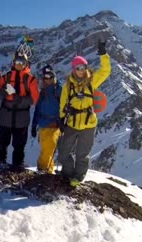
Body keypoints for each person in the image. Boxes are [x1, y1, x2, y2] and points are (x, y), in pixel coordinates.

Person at [58, 40, 111, 186]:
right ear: (74, 69)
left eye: (84, 67)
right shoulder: (67, 86)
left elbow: (105, 71)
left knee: (82, 154)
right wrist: (61, 119)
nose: (82, 70)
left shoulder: (91, 81)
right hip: (72, 123)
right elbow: (63, 104)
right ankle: (67, 174)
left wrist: (103, 54)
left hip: (89, 124)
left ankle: (77, 178)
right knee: (63, 153)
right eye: (79, 68)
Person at [0, 52, 39, 170]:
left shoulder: (31, 80)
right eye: (17, 62)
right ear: (13, 63)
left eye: (22, 62)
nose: (19, 64)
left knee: (19, 145)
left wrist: (20, 99)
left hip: (21, 117)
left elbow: (35, 99)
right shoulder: (6, 77)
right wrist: (3, 93)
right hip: (5, 116)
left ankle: (17, 166)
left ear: (26, 64)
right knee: (2, 143)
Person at [31, 64, 62, 174]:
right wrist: (34, 125)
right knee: (46, 150)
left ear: (54, 76)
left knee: (48, 150)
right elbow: (37, 109)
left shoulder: (58, 89)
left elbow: (65, 106)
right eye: (45, 77)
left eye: (50, 76)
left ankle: (42, 170)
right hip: (43, 125)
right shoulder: (43, 91)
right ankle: (48, 171)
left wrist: (62, 122)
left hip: (54, 124)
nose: (48, 79)